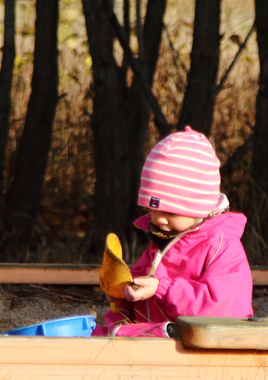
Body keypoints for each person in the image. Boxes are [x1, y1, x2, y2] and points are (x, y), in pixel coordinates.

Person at [92, 126, 253, 337]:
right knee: (99, 336)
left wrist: (163, 289)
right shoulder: (162, 241)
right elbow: (140, 286)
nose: (159, 219)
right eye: (152, 209)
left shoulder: (221, 247)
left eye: (170, 211)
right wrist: (124, 294)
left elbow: (222, 309)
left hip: (205, 344)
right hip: (160, 338)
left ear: (199, 205)